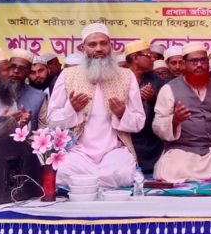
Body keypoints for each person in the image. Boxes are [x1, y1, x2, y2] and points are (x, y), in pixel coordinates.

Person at [47, 23, 145, 188]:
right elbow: (52, 121)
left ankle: (87, 183)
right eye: (92, 44)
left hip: (114, 151)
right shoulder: (68, 75)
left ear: (110, 46)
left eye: (103, 43)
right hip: (79, 152)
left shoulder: (126, 76)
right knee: (63, 171)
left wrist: (122, 113)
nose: (99, 49)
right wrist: (72, 110)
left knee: (122, 172)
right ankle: (99, 183)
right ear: (83, 48)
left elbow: (139, 122)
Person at [152, 43, 211, 183]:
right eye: (193, 61)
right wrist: (175, 120)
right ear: (184, 63)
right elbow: (158, 124)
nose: (199, 65)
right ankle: (209, 178)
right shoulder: (169, 89)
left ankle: (198, 178)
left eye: (203, 60)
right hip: (182, 151)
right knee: (167, 168)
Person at [123, 39, 165, 173]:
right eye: (149, 56)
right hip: (127, 139)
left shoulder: (155, 79)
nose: (153, 59)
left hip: (153, 141)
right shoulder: (119, 79)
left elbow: (165, 107)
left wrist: (153, 98)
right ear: (135, 58)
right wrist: (136, 99)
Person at [9, 49, 48, 129]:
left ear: (28, 73)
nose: (16, 71)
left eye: (22, 68)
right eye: (13, 66)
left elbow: (44, 130)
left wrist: (25, 125)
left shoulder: (39, 98)